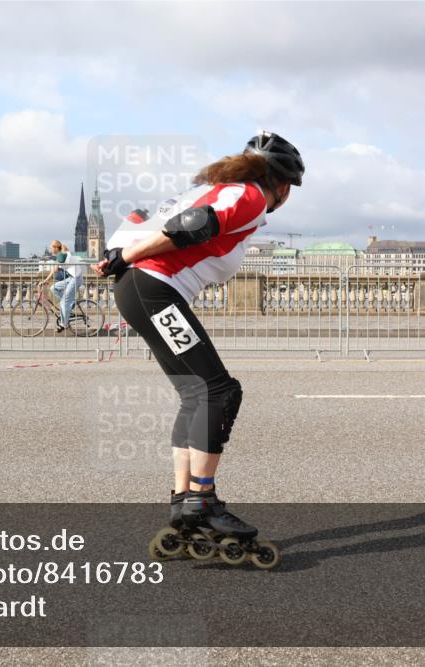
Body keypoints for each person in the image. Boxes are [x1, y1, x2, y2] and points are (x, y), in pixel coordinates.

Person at [94, 131, 304, 550]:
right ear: (281, 185)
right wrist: (127, 257)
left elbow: (149, 218)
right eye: (289, 190)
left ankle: (183, 501)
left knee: (197, 394)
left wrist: (124, 256)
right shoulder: (250, 196)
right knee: (220, 392)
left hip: (144, 289)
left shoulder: (214, 188)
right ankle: (202, 501)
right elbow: (191, 227)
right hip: (153, 286)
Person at [39, 240, 84, 333]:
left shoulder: (62, 255)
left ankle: (64, 324)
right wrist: (45, 281)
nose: (51, 249)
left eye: (52, 247)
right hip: (71, 278)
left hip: (76, 278)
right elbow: (54, 270)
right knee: (53, 288)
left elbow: (55, 268)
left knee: (64, 303)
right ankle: (68, 305)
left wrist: (45, 280)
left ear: (56, 248)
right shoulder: (60, 255)